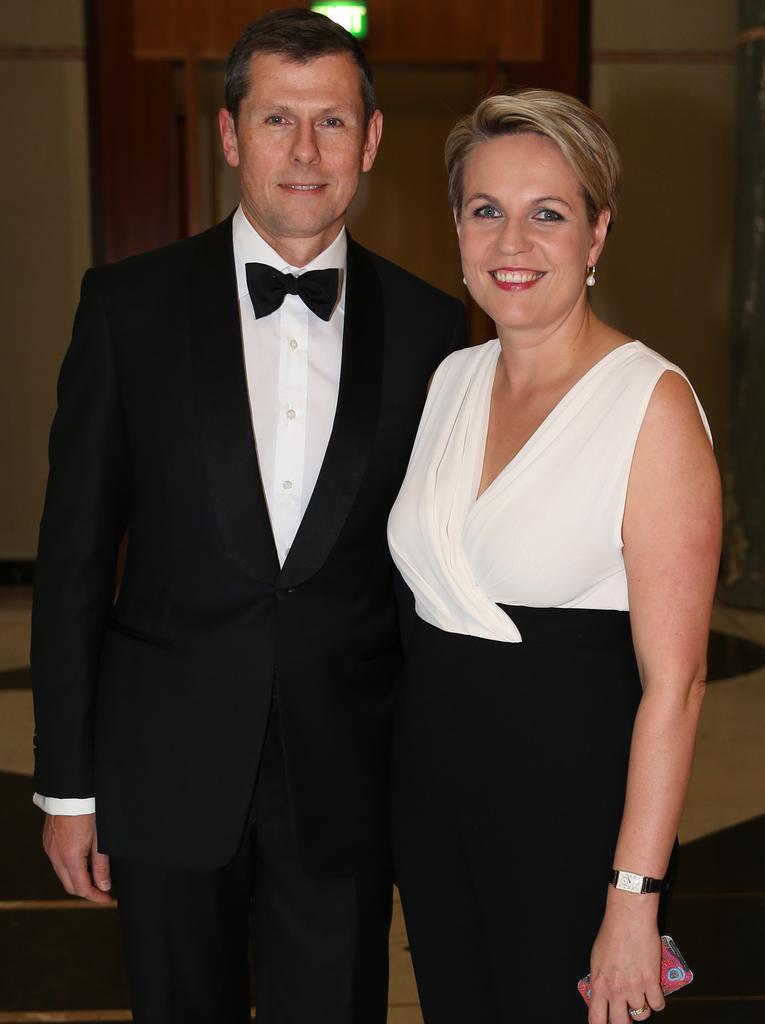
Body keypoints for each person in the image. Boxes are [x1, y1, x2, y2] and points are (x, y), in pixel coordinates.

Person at [31, 9, 466, 1022]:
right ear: (230, 135)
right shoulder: (125, 307)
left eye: (331, 122)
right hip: (164, 773)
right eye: (278, 120)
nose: (305, 153)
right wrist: (67, 788)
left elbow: (427, 574)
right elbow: (75, 559)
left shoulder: (432, 326)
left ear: (372, 137)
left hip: (347, 782)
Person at [388, 89, 721, 1024]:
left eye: (549, 214)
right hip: (437, 807)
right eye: (486, 210)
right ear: (456, 225)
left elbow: (678, 684)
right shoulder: (451, 379)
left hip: (571, 822)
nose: (511, 243)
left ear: (597, 234)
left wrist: (632, 895)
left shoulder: (649, 405)